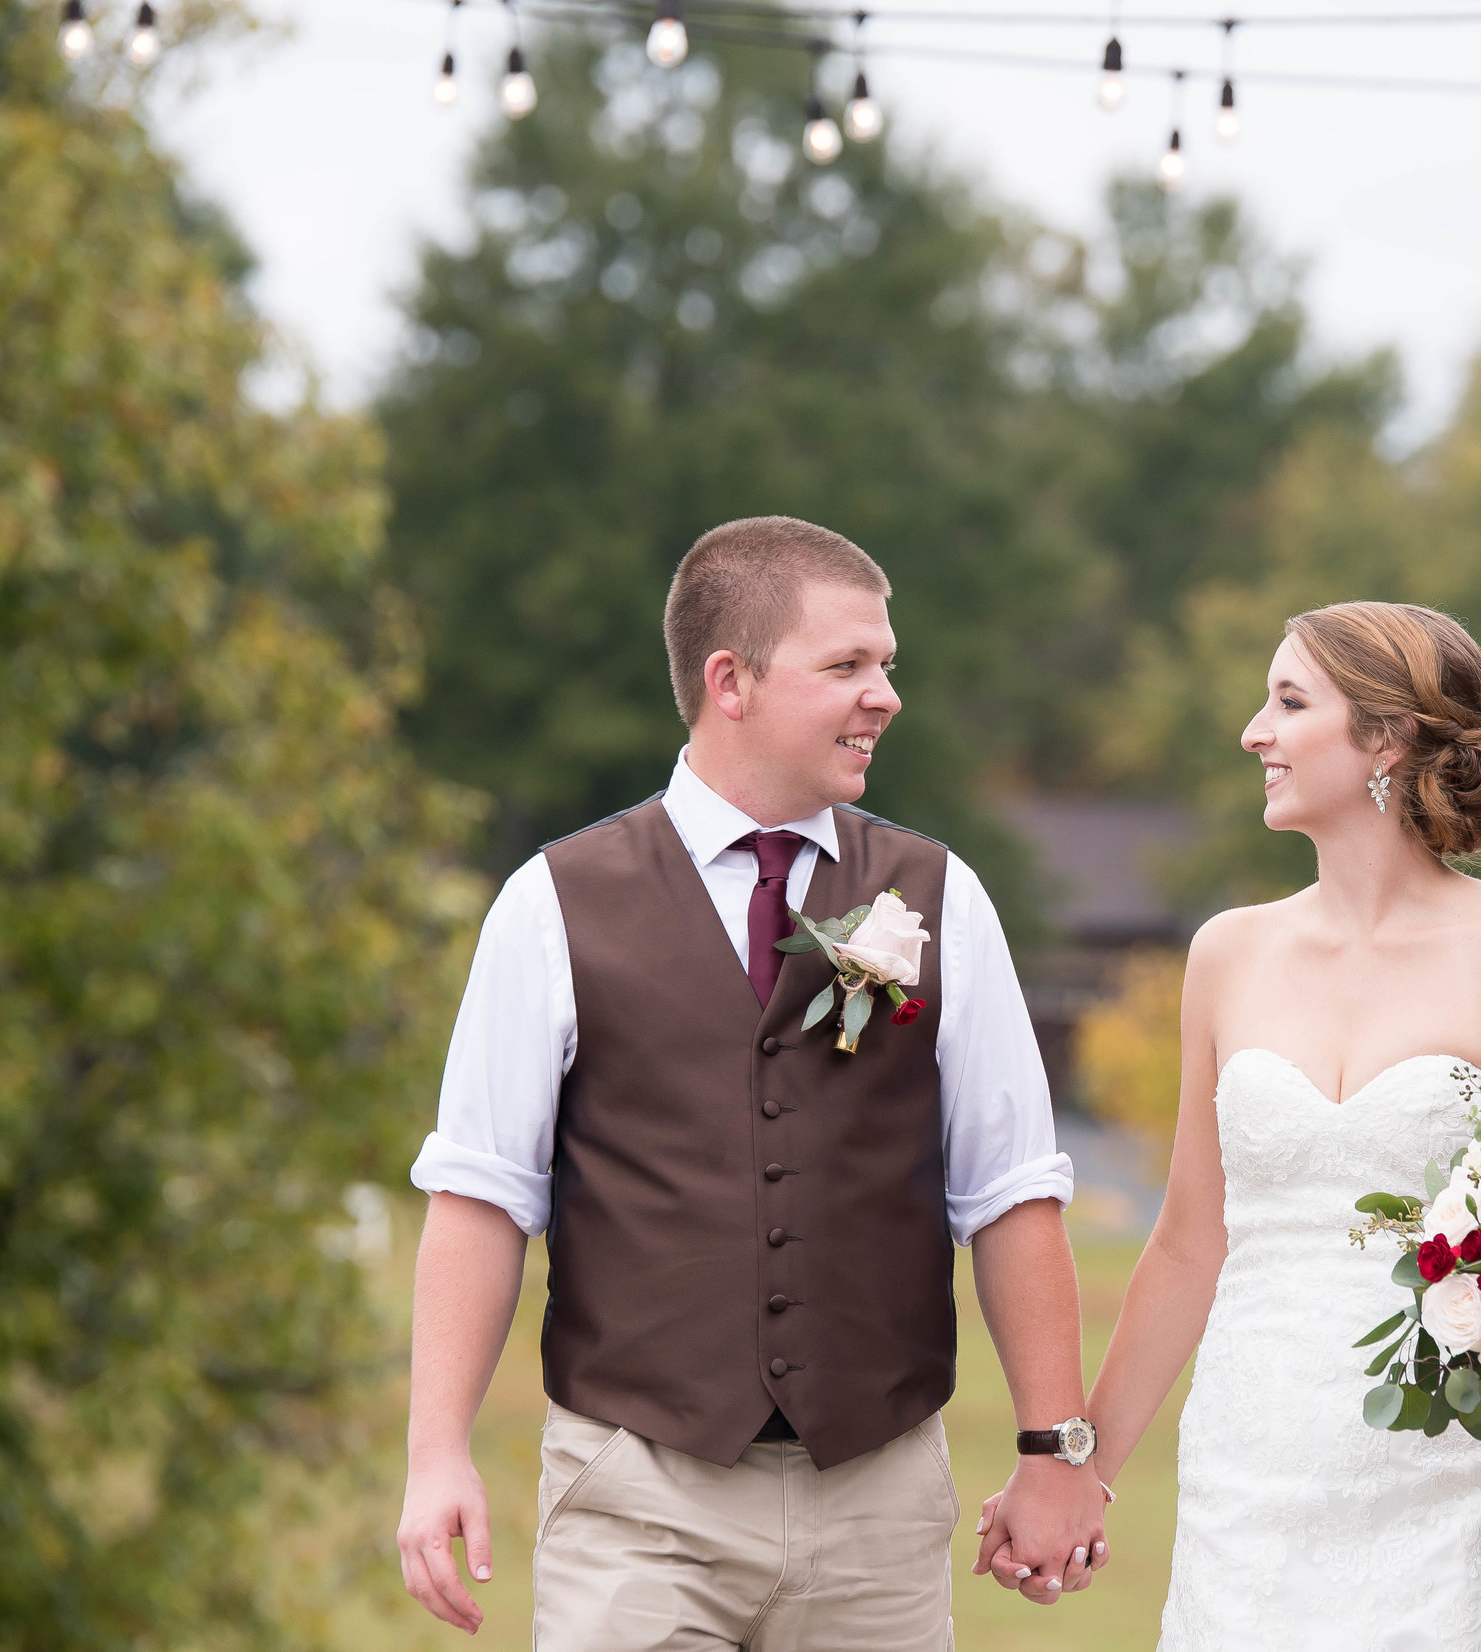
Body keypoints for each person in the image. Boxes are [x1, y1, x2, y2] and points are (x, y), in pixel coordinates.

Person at [395, 516, 1108, 1649]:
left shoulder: (937, 894)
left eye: (887, 664)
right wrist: (437, 1452)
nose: (886, 694)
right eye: (847, 666)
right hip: (638, 1498)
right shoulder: (551, 902)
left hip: (878, 1504)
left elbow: (1013, 1188)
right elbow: (482, 1192)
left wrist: (1051, 1449)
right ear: (730, 680)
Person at [982, 600, 1481, 1647]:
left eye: (1287, 701)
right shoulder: (1228, 954)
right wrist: (1080, 1467)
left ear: (1386, 734)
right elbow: (1189, 1239)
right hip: (1250, 1473)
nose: (1252, 731)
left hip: (1462, 1480)